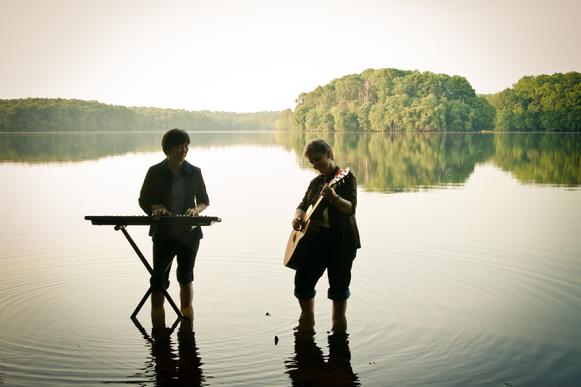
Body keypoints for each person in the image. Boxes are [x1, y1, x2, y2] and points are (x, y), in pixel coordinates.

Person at [139, 128, 209, 320]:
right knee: (159, 279)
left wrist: (196, 210)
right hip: (163, 232)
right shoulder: (154, 172)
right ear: (168, 149)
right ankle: (158, 327)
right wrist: (156, 207)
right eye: (180, 146)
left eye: (187, 146)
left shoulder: (195, 172)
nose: (184, 150)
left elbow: (204, 200)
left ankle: (187, 323)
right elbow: (144, 200)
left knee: (186, 277)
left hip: (190, 233)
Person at [291, 139, 361, 333]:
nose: (315, 165)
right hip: (315, 242)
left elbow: (350, 209)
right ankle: (307, 322)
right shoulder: (316, 182)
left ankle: (338, 337)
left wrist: (334, 198)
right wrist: (297, 219)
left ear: (329, 155)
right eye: (311, 162)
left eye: (318, 160)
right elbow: (302, 205)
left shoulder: (346, 179)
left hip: (342, 243)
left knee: (338, 291)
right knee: (302, 283)